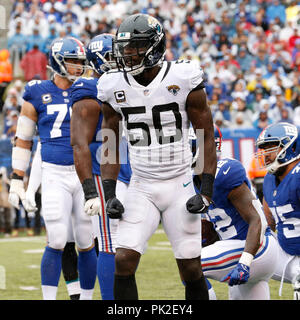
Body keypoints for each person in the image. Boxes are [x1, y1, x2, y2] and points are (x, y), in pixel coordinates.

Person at [97, 13, 217, 300]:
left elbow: (206, 136)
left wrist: (206, 192)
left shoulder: (183, 77)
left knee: (190, 267)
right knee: (123, 259)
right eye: (124, 47)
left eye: (134, 46)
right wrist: (110, 192)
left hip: (180, 182)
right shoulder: (113, 85)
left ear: (154, 46)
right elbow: (110, 140)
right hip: (142, 185)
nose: (126, 53)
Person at [8, 37, 97, 300]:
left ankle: (87, 297)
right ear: (58, 62)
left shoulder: (91, 88)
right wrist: (17, 179)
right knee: (57, 239)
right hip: (54, 173)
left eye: (81, 63)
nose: (79, 67)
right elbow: (24, 139)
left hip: (86, 175)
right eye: (73, 62)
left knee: (85, 240)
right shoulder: (36, 91)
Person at [70, 33, 132, 300]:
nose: (122, 59)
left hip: (127, 165)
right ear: (100, 58)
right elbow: (79, 143)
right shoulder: (88, 88)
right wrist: (90, 192)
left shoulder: (125, 82)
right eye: (115, 55)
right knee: (109, 241)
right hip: (101, 169)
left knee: (127, 243)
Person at [194, 125, 279, 300]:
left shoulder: (225, 172)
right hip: (241, 248)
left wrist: (245, 263)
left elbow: (258, 220)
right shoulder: (194, 178)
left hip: (256, 247)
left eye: (188, 146)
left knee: (190, 264)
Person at [26, 141, 81, 300]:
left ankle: (85, 295)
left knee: (89, 242)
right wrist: (30, 188)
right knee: (61, 241)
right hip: (56, 179)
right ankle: (75, 294)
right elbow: (40, 148)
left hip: (84, 177)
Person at [255, 122, 300, 300]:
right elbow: (268, 223)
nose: (265, 155)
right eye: (263, 149)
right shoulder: (269, 180)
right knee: (245, 252)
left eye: (270, 148)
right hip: (286, 254)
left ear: (291, 146)